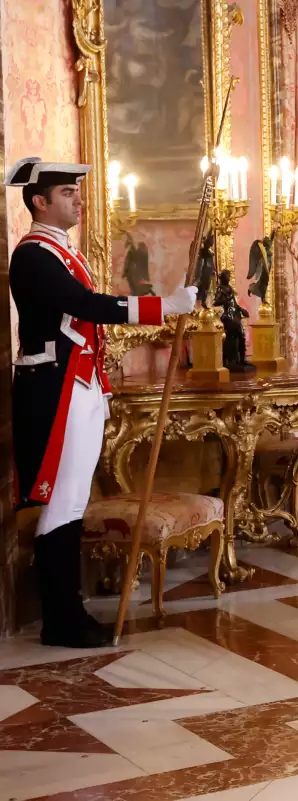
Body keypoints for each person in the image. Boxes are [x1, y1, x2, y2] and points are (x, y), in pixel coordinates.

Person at [5, 156, 196, 648]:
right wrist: (163, 306)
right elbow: (88, 306)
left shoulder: (63, 251)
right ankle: (60, 619)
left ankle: (71, 611)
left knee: (74, 501)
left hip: (80, 385)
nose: (78, 199)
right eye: (67, 193)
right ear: (40, 202)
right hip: (53, 388)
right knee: (59, 503)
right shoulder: (33, 255)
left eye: (76, 191)